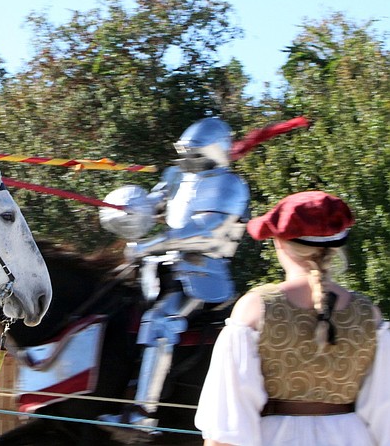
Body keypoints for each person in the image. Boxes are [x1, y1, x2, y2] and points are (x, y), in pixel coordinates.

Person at [195, 191, 390, 445]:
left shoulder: (256, 308)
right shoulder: (368, 313)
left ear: (280, 243)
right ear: (337, 247)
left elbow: (227, 423)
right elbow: (385, 412)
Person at [98, 117, 250, 431]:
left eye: (193, 154)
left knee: (161, 322)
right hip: (157, 267)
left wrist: (148, 245)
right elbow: (154, 204)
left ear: (213, 152)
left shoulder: (229, 185)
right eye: (183, 153)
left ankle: (142, 414)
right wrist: (125, 209)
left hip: (202, 273)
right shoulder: (177, 175)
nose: (185, 160)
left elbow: (205, 232)